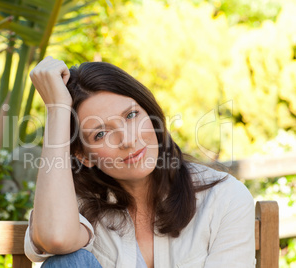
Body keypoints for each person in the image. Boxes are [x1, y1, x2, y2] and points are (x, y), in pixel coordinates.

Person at [24, 56, 255, 268]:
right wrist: (56, 110)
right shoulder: (74, 206)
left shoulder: (223, 197)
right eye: (101, 134)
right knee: (67, 261)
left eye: (131, 115)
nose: (128, 140)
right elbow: (56, 237)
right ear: (84, 156)